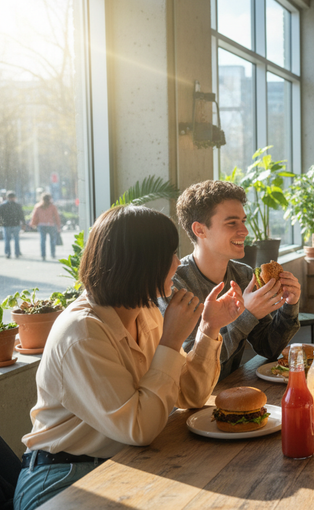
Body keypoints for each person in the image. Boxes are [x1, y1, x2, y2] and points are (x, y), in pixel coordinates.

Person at [14, 205, 244, 510]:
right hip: (62, 476)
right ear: (139, 264)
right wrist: (172, 340)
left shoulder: (145, 312)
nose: (177, 264)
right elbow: (139, 429)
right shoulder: (82, 331)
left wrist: (209, 327)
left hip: (127, 463)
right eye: (169, 255)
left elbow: (190, 394)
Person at [159, 180, 301, 381]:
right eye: (232, 223)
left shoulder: (243, 276)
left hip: (231, 391)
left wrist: (290, 305)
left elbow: (269, 347)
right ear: (199, 230)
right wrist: (248, 315)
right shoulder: (173, 286)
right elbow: (192, 369)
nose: (244, 231)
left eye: (243, 221)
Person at [29, 194, 60, 261]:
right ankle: (53, 253)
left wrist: (32, 224)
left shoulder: (38, 206)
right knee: (52, 240)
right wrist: (58, 226)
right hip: (51, 225)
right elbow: (56, 217)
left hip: (41, 225)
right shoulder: (52, 207)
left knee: (42, 240)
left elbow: (34, 216)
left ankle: (43, 255)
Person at [0, 192, 25, 259]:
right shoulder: (18, 205)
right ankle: (17, 253)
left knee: (7, 240)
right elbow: (21, 215)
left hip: (6, 225)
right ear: (14, 198)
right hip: (16, 224)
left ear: (7, 198)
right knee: (16, 239)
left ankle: (8, 253)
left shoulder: (3, 206)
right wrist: (23, 223)